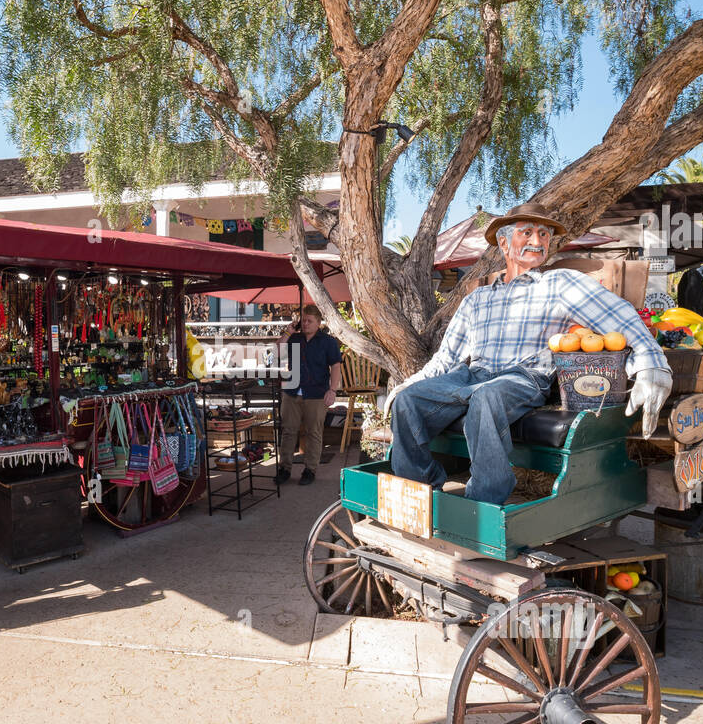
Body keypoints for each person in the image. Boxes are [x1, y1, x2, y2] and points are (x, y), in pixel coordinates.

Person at [384, 202, 672, 504]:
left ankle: (483, 503)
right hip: (470, 376)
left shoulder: (559, 283)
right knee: (408, 400)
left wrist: (652, 363)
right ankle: (418, 493)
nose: (538, 242)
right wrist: (411, 383)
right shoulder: (477, 299)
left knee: (486, 396)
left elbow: (618, 315)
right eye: (527, 233)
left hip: (525, 377)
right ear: (505, 243)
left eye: (544, 235)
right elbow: (446, 358)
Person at [275, 304, 343, 485]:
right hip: (291, 391)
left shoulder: (327, 342)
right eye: (303, 320)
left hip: (316, 393)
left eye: (309, 321)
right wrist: (289, 332)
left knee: (314, 432)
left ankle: (310, 470)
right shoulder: (294, 339)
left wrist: (333, 390)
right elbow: (278, 352)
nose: (305, 324)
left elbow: (336, 366)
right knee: (288, 431)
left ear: (318, 323)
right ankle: (284, 468)